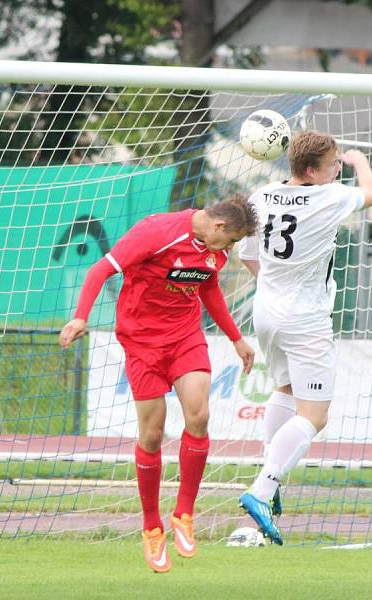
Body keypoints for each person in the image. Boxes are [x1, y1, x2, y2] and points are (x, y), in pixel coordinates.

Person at [60, 194, 257, 573]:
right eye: (231, 241)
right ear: (218, 227)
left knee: (198, 415)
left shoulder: (214, 251)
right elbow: (100, 270)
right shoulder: (156, 231)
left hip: (185, 337)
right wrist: (80, 316)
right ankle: (152, 526)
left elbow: (208, 287)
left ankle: (184, 514)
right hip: (142, 343)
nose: (230, 249)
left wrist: (235, 338)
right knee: (152, 435)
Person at [237, 130, 372, 545]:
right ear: (312, 171)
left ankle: (271, 479)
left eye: (340, 163)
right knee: (315, 414)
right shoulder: (329, 196)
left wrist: (277, 288)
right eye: (333, 164)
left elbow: (247, 255)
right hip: (305, 317)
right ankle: (263, 488)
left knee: (283, 388)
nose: (338, 169)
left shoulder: (260, 197)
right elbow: (371, 194)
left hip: (266, 311)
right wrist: (357, 161)